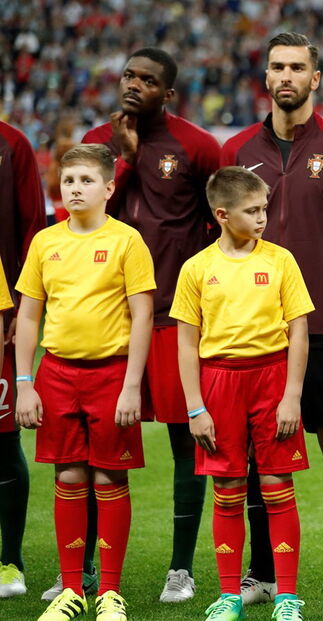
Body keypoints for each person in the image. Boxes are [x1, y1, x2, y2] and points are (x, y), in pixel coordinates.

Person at [220, 32, 323, 611]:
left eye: (297, 68)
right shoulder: (236, 149)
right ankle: (261, 573)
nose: (286, 75)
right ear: (266, 77)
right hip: (253, 330)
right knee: (260, 451)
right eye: (276, 66)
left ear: (316, 79)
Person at [81, 46, 221, 604]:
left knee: (187, 440)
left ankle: (180, 569)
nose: (133, 85)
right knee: (98, 443)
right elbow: (80, 219)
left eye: (147, 80)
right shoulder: (98, 140)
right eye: (128, 76)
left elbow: (223, 223)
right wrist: (123, 161)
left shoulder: (197, 146)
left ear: (168, 92)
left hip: (173, 319)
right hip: (106, 318)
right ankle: (84, 568)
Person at [15, 144, 156, 621]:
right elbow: (29, 315)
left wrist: (133, 384)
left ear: (109, 189)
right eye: (69, 180)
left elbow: (142, 315)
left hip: (111, 374)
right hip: (56, 374)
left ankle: (110, 594)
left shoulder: (127, 241)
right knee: (69, 475)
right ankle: (70, 589)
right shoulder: (44, 242)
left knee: (110, 476)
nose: (75, 187)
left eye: (86, 180)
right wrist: (25, 382)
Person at [170, 166, 314, 621]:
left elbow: (299, 331)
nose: (262, 218)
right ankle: (230, 595)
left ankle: (286, 596)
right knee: (228, 488)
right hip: (219, 383)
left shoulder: (281, 260)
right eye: (252, 211)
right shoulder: (197, 268)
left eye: (264, 209)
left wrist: (292, 395)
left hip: (271, 378)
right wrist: (195, 407)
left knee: (277, 485)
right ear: (222, 214)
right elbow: (186, 343)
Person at [0, 120, 45, 599]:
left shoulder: (12, 144)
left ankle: (10, 561)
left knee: (2, 440)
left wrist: (21, 303)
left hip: (2, 310)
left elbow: (33, 225)